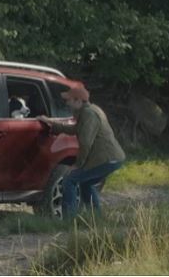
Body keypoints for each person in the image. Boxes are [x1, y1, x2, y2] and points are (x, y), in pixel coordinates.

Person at [37, 82, 125, 219]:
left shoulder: (89, 114)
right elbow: (75, 129)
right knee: (85, 182)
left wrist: (78, 165)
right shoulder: (89, 111)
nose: (67, 103)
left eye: (68, 100)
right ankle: (96, 218)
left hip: (105, 159)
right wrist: (52, 123)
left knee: (70, 179)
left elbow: (85, 143)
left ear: (78, 100)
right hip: (112, 158)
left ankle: (69, 219)